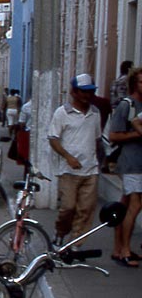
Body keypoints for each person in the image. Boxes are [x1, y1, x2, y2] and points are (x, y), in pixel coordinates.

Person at [47, 73, 102, 247]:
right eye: (83, 92)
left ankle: (75, 244)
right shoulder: (62, 113)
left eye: (90, 92)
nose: (87, 95)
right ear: (74, 92)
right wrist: (68, 157)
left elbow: (97, 139)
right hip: (68, 171)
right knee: (68, 208)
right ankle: (60, 233)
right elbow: (53, 139)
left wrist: (101, 160)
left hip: (91, 170)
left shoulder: (95, 113)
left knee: (85, 210)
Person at [108, 66, 142, 266]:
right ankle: (126, 250)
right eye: (141, 81)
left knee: (125, 204)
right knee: (135, 204)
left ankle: (118, 249)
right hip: (131, 162)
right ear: (133, 84)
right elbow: (113, 135)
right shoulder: (126, 105)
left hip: (140, 163)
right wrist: (136, 134)